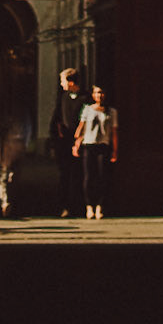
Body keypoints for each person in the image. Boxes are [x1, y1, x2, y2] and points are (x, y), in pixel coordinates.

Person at [72, 84, 117, 219]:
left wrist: (115, 150)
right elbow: (81, 128)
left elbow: (114, 133)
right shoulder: (87, 110)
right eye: (97, 93)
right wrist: (76, 143)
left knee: (102, 176)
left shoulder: (111, 112)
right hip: (89, 144)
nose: (99, 95)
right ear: (93, 95)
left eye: (102, 93)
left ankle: (100, 206)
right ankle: (89, 206)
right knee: (88, 176)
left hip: (103, 145)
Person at [47, 66, 83, 217]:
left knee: (78, 174)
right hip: (64, 142)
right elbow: (56, 118)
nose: (61, 84)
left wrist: (80, 139)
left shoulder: (85, 98)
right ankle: (64, 206)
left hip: (79, 142)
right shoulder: (63, 98)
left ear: (71, 82)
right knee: (64, 175)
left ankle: (78, 205)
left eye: (62, 81)